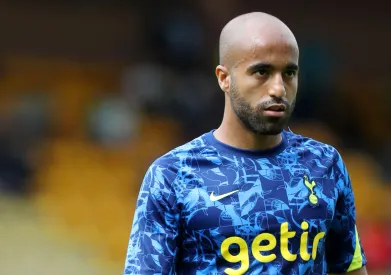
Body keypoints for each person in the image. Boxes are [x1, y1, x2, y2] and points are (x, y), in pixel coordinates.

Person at [123, 12, 368, 275]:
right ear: (223, 78)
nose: (278, 88)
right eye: (262, 71)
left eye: (289, 73)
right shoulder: (173, 175)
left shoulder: (325, 164)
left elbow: (350, 267)